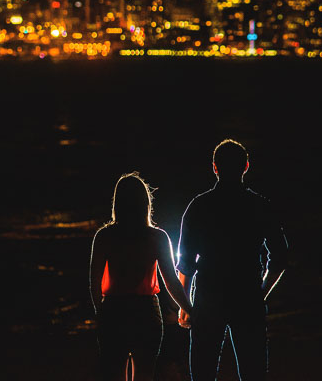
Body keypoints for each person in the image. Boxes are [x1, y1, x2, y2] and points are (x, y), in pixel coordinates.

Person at [176, 139, 289, 381]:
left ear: (214, 167)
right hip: (248, 296)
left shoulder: (199, 206)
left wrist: (184, 305)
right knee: (253, 372)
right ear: (246, 166)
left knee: (203, 372)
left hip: (208, 296)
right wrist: (262, 292)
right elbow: (279, 257)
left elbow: (186, 261)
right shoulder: (260, 205)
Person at [89, 172, 194, 381]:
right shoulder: (157, 237)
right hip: (146, 311)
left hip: (113, 309)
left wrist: (101, 312)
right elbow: (171, 282)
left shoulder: (104, 237)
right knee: (144, 375)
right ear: (145, 203)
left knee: (114, 374)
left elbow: (93, 281)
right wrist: (188, 308)